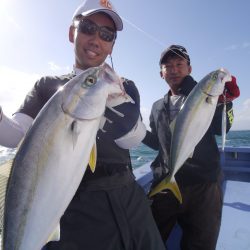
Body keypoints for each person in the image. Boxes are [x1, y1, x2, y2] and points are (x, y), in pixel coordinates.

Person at [0, 1, 166, 249]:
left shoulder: (123, 86)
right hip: (70, 209)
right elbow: (15, 137)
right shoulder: (48, 86)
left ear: (112, 46)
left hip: (129, 199)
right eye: (88, 27)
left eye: (107, 34)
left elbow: (132, 139)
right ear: (72, 32)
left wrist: (130, 123)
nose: (96, 39)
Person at [142, 44, 240, 250]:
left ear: (190, 69)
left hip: (203, 186)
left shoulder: (205, 96)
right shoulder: (157, 106)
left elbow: (222, 128)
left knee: (200, 244)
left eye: (179, 64)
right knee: (150, 239)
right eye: (168, 66)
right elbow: (158, 143)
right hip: (165, 183)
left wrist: (226, 102)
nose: (174, 69)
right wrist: (135, 131)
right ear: (161, 73)